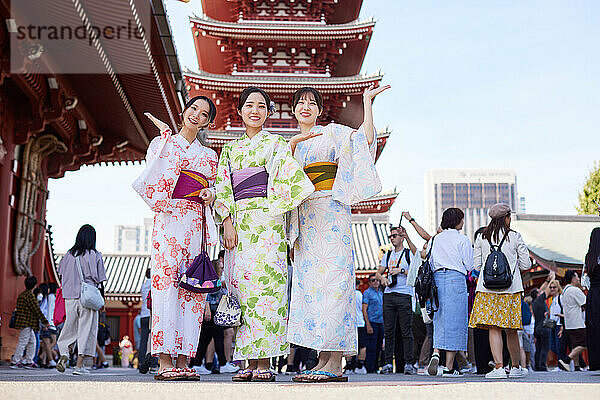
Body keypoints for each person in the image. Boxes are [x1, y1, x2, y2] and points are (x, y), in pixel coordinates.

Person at [286, 84, 387, 382]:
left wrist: (367, 103)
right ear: (293, 110)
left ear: (319, 110)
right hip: (305, 217)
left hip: (331, 212)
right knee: (313, 292)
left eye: (312, 103)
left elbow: (365, 140)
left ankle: (334, 364)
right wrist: (291, 146)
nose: (306, 107)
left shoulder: (332, 132)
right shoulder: (293, 145)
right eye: (300, 102)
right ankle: (322, 360)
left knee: (335, 285)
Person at [214, 87, 314, 382]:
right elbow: (223, 187)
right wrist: (227, 222)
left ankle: (264, 363)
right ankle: (246, 360)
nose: (255, 110)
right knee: (242, 292)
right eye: (249, 105)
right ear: (240, 111)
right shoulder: (230, 150)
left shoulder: (276, 144)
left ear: (268, 112)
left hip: (268, 224)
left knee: (267, 294)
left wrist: (272, 207)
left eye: (261, 106)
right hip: (240, 226)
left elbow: (290, 180)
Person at [132, 96, 219, 381]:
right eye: (193, 109)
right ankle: (164, 361)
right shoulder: (163, 144)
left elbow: (215, 189)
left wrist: (210, 194)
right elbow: (154, 177)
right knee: (167, 287)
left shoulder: (209, 156)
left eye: (204, 114)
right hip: (169, 221)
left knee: (192, 288)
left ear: (208, 122)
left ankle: (184, 358)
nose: (197, 115)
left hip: (196, 222)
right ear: (184, 111)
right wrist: (166, 140)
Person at [468, 203, 531, 379]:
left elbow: (477, 266)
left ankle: (499, 368)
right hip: (511, 289)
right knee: (511, 329)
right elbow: (526, 264)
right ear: (507, 218)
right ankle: (516, 367)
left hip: (487, 290)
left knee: (494, 329)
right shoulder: (515, 237)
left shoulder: (481, 237)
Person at [426, 208, 474, 377]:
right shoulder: (463, 239)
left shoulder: (436, 239)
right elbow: (469, 265)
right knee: (456, 322)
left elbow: (429, 261)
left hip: (438, 280)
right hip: (456, 279)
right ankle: (448, 368)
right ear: (458, 221)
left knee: (439, 319)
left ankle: (436, 352)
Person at [56, 224, 107, 375]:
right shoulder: (95, 255)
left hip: (70, 296)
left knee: (69, 328)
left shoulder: (68, 254)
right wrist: (103, 300)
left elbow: (61, 275)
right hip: (88, 297)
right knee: (86, 329)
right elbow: (101, 280)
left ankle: (65, 352)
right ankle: (79, 366)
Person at [376, 226, 418, 374]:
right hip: (389, 294)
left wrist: (400, 270)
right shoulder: (387, 255)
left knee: (406, 331)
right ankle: (387, 363)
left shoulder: (408, 254)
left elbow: (416, 270)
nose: (393, 238)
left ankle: (408, 363)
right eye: (391, 236)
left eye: (395, 236)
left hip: (404, 294)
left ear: (402, 237)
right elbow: (378, 273)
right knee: (389, 331)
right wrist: (383, 278)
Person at [10, 276, 49, 369]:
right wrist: (45, 322)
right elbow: (37, 310)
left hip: (24, 323)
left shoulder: (22, 295)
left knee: (32, 342)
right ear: (34, 285)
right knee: (23, 342)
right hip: (27, 323)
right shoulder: (30, 296)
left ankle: (29, 361)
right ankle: (16, 361)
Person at [557, 270, 588, 371]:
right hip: (577, 322)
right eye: (577, 276)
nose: (579, 279)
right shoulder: (575, 290)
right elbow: (585, 303)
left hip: (569, 322)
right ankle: (566, 360)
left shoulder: (565, 290)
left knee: (575, 345)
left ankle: (577, 366)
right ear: (572, 278)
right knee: (585, 343)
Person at [531, 271, 555, 371]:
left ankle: (537, 365)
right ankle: (542, 366)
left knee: (539, 348)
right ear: (537, 295)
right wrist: (551, 280)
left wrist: (546, 280)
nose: (541, 292)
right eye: (539, 292)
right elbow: (546, 290)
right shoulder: (540, 300)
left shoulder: (534, 302)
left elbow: (541, 289)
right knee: (545, 347)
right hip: (544, 327)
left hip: (537, 327)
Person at [583, 227, 600, 370]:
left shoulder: (590, 257)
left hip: (594, 295)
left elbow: (585, 282)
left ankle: (596, 362)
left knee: (595, 329)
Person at [362, 274, 384, 373]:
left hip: (381, 322)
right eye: (373, 280)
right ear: (369, 282)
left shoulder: (382, 292)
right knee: (371, 347)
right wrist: (368, 324)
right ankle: (370, 368)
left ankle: (376, 367)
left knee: (379, 346)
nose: (376, 282)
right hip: (372, 322)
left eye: (377, 280)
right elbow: (364, 309)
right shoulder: (367, 293)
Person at [38, 283, 58, 368]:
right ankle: (50, 360)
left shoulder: (48, 297)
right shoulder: (50, 297)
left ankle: (42, 358)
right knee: (50, 342)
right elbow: (48, 310)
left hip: (49, 322)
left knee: (49, 343)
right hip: (49, 322)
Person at [138, 269, 151, 373]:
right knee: (153, 339)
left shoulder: (143, 285)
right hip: (151, 314)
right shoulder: (154, 284)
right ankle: (153, 363)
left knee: (143, 340)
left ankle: (141, 362)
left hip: (143, 314)